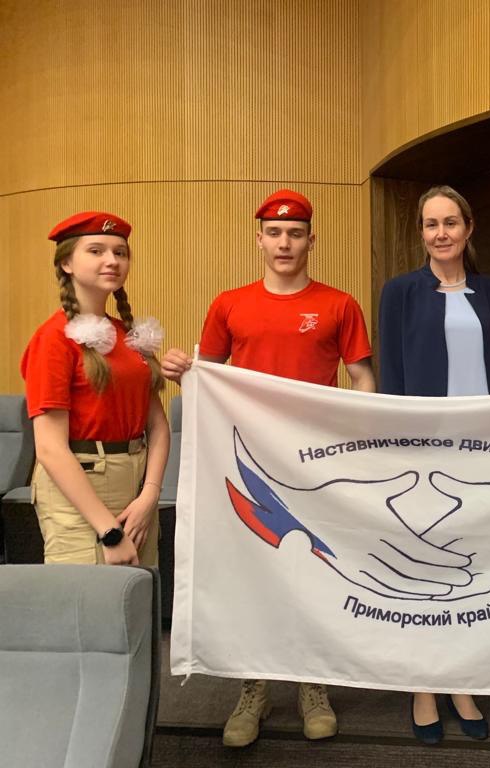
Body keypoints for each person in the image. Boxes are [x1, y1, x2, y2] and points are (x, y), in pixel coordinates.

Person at [161, 189, 374, 748]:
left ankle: (312, 683)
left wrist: (355, 443)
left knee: (315, 567)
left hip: (316, 466)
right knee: (254, 570)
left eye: (295, 234)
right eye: (274, 233)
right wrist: (180, 369)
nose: (285, 243)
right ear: (259, 239)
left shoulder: (339, 304)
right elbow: (205, 377)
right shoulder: (230, 304)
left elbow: (363, 381)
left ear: (310, 240)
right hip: (248, 464)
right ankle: (253, 686)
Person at [378, 185, 490, 743]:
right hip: (423, 451)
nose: (441, 233)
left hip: (481, 452)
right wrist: (400, 448)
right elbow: (391, 374)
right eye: (431, 224)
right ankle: (423, 686)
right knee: (422, 569)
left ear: (468, 227)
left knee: (471, 565)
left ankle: (461, 681)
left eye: (450, 222)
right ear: (422, 233)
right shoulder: (399, 292)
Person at [22, 211, 169, 567]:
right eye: (96, 251)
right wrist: (109, 531)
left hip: (136, 486)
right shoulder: (53, 338)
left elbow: (158, 427)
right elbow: (50, 448)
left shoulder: (128, 335)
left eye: (120, 253)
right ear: (67, 263)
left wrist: (149, 495)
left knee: (138, 594)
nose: (112, 261)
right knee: (88, 597)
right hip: (80, 489)